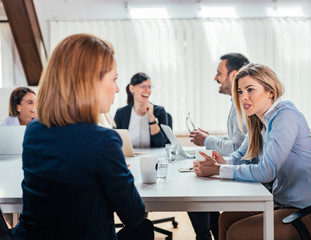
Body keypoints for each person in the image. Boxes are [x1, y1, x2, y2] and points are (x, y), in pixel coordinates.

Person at [12, 34, 154, 240]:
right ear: (89, 83)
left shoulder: (33, 130)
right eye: (114, 79)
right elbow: (133, 215)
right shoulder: (104, 141)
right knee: (143, 228)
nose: (116, 89)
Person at [193, 63, 311, 240]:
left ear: (270, 92)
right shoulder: (258, 120)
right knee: (225, 219)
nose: (244, 97)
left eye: (250, 90)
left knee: (237, 232)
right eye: (240, 91)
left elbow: (266, 171)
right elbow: (241, 155)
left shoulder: (286, 116)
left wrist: (218, 170)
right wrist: (221, 161)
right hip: (285, 205)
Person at [187, 53, 249, 240]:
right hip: (238, 168)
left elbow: (236, 146)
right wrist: (210, 138)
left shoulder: (245, 105)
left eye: (219, 73)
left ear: (234, 75)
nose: (215, 78)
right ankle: (207, 235)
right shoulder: (235, 103)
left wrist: (207, 141)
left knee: (196, 189)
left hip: (247, 178)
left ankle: (205, 236)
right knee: (197, 185)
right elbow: (237, 140)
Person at [114, 72, 170, 148]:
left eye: (149, 87)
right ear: (132, 88)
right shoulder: (121, 113)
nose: (147, 90)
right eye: (143, 86)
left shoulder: (159, 111)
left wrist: (151, 118)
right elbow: (115, 142)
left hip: (153, 158)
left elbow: (161, 144)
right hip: (129, 158)